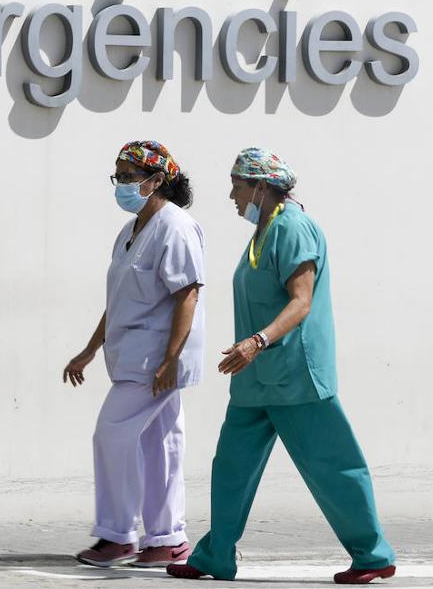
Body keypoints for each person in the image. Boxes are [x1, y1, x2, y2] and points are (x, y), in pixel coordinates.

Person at [168, 148, 396, 585]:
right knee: (231, 467)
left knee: (333, 466)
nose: (232, 194)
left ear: (261, 185)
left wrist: (258, 341)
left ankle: (372, 555)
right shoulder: (264, 230)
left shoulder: (293, 227)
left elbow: (301, 300)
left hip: (294, 373)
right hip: (255, 379)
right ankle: (216, 556)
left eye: (237, 185)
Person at [63, 140, 206, 568]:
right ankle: (166, 538)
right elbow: (120, 300)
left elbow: (188, 294)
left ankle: (117, 534)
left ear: (156, 180)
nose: (121, 184)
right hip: (132, 355)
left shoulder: (176, 227)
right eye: (118, 176)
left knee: (111, 433)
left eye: (128, 176)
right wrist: (89, 351)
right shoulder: (129, 232)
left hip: (155, 360)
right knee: (160, 445)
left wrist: (171, 359)